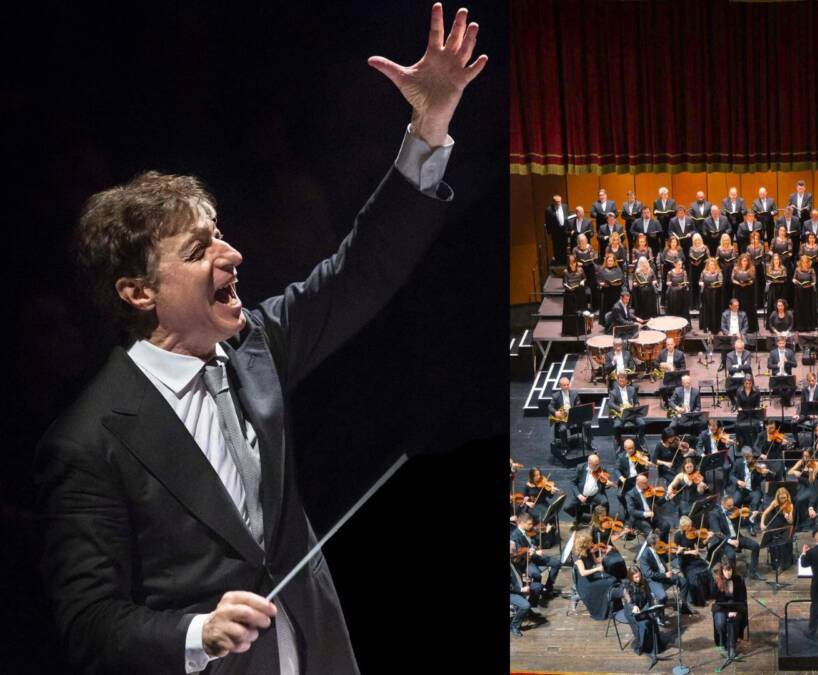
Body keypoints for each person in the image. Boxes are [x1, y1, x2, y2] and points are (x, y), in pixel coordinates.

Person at [34, 6, 485, 672]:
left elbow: (360, 271)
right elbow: (91, 623)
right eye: (200, 248)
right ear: (138, 291)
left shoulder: (255, 346)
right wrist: (197, 632)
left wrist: (429, 125)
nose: (233, 254)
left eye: (220, 233)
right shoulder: (88, 440)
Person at [636, 531, 693, 615]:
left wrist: (677, 552)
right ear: (653, 545)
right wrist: (664, 575)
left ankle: (682, 605)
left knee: (683, 582)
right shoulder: (645, 556)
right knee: (663, 597)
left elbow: (668, 557)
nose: (661, 544)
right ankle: (658, 615)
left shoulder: (658, 550)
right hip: (653, 580)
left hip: (665, 575)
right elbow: (649, 574)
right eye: (658, 543)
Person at [713, 494, 765, 579]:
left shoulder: (734, 511)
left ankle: (753, 572)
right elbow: (717, 532)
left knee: (755, 546)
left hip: (737, 537)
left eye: (732, 505)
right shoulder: (715, 514)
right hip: (725, 541)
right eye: (729, 506)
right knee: (731, 555)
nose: (732, 507)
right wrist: (730, 541)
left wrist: (751, 517)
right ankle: (732, 576)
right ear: (722, 503)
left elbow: (743, 523)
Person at [622, 566, 665, 666]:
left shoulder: (643, 582)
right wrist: (633, 607)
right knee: (644, 624)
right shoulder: (626, 587)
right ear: (631, 577)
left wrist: (653, 603)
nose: (639, 579)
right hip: (632, 611)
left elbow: (649, 596)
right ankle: (645, 647)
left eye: (639, 576)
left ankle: (655, 648)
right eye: (636, 577)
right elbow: (629, 602)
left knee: (653, 621)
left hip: (644, 608)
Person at [572, 533, 621, 621]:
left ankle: (613, 607)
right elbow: (583, 573)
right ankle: (605, 610)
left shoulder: (589, 551)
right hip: (585, 582)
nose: (592, 543)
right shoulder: (578, 557)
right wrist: (597, 569)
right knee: (608, 583)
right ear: (585, 544)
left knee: (613, 579)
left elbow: (596, 561)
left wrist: (605, 554)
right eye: (590, 542)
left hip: (592, 576)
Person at [710, 559, 748, 664]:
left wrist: (734, 610)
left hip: (737, 608)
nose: (728, 573)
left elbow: (742, 597)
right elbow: (716, 599)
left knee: (732, 621)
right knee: (721, 623)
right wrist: (727, 612)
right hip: (721, 608)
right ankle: (724, 642)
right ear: (722, 571)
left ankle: (732, 647)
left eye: (730, 570)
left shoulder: (739, 580)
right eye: (726, 570)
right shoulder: (717, 581)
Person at [570, 453, 619, 521]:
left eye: (598, 463)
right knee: (567, 508)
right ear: (589, 463)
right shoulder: (580, 468)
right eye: (596, 465)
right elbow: (573, 483)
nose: (598, 466)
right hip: (582, 494)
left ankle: (603, 520)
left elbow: (604, 485)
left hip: (596, 494)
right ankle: (582, 511)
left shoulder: (602, 469)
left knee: (605, 502)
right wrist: (579, 495)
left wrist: (608, 484)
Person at [760, 487, 797, 574]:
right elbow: (764, 513)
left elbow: (791, 522)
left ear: (787, 496)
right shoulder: (775, 503)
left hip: (786, 528)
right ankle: (775, 564)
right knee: (773, 542)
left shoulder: (790, 505)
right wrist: (762, 524)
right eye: (781, 498)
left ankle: (783, 565)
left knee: (783, 543)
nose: (783, 500)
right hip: (775, 527)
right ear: (778, 497)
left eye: (785, 498)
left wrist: (788, 517)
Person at [609, 372, 645, 448]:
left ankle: (641, 438)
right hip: (622, 414)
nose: (621, 381)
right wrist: (620, 409)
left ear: (626, 380)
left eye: (623, 379)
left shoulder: (632, 389)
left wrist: (635, 406)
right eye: (620, 379)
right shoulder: (613, 392)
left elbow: (636, 401)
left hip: (632, 413)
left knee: (642, 423)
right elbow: (610, 403)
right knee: (616, 426)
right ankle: (618, 440)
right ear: (617, 381)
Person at [698, 255, 723, 333]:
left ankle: (715, 327)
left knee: (714, 309)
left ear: (715, 264)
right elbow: (700, 281)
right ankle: (707, 326)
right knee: (706, 309)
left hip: (715, 294)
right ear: (708, 265)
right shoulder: (704, 272)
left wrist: (716, 285)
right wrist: (701, 283)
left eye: (713, 264)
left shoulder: (718, 272)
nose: (711, 266)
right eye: (710, 264)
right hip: (706, 293)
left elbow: (721, 282)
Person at [545, 194, 569, 265]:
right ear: (553, 202)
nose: (559, 203)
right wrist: (549, 233)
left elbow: (568, 216)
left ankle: (565, 261)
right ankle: (559, 261)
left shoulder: (565, 206)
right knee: (557, 247)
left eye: (560, 201)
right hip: (555, 232)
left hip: (565, 230)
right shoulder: (549, 210)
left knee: (565, 246)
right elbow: (547, 222)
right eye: (557, 202)